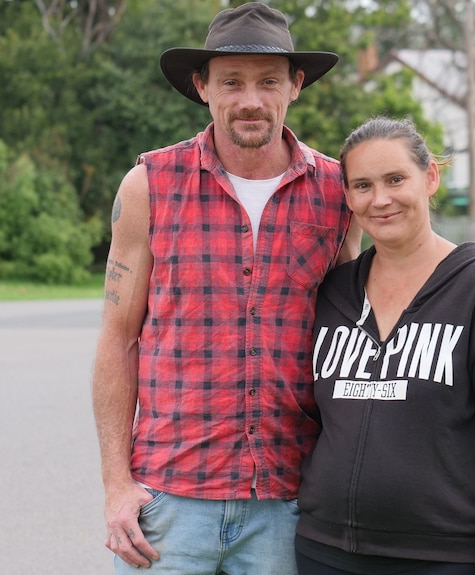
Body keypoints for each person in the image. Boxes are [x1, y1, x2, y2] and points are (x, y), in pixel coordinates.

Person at [91, 3, 360, 574]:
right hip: (167, 503)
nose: (250, 100)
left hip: (287, 504)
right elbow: (118, 339)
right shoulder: (150, 184)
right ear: (202, 86)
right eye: (231, 82)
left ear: (296, 85)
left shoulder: (338, 193)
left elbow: (353, 341)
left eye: (268, 82)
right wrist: (117, 487)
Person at [295, 117, 475, 575]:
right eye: (362, 185)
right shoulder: (334, 293)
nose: (380, 199)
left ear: (430, 178)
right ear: (347, 197)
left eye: (395, 179)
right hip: (323, 552)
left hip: (440, 558)